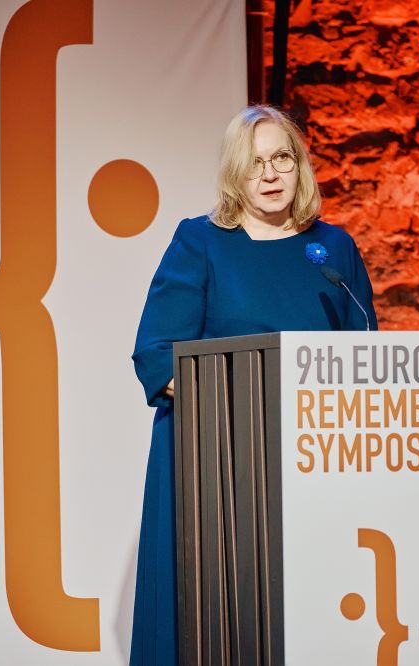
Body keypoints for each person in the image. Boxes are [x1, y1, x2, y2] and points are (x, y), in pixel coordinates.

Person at [129, 105, 377, 665]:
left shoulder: (332, 250)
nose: (269, 175)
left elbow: (367, 353)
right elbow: (158, 354)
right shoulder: (201, 242)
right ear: (236, 175)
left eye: (281, 158)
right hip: (215, 464)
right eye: (255, 163)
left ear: (300, 166)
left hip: (316, 463)